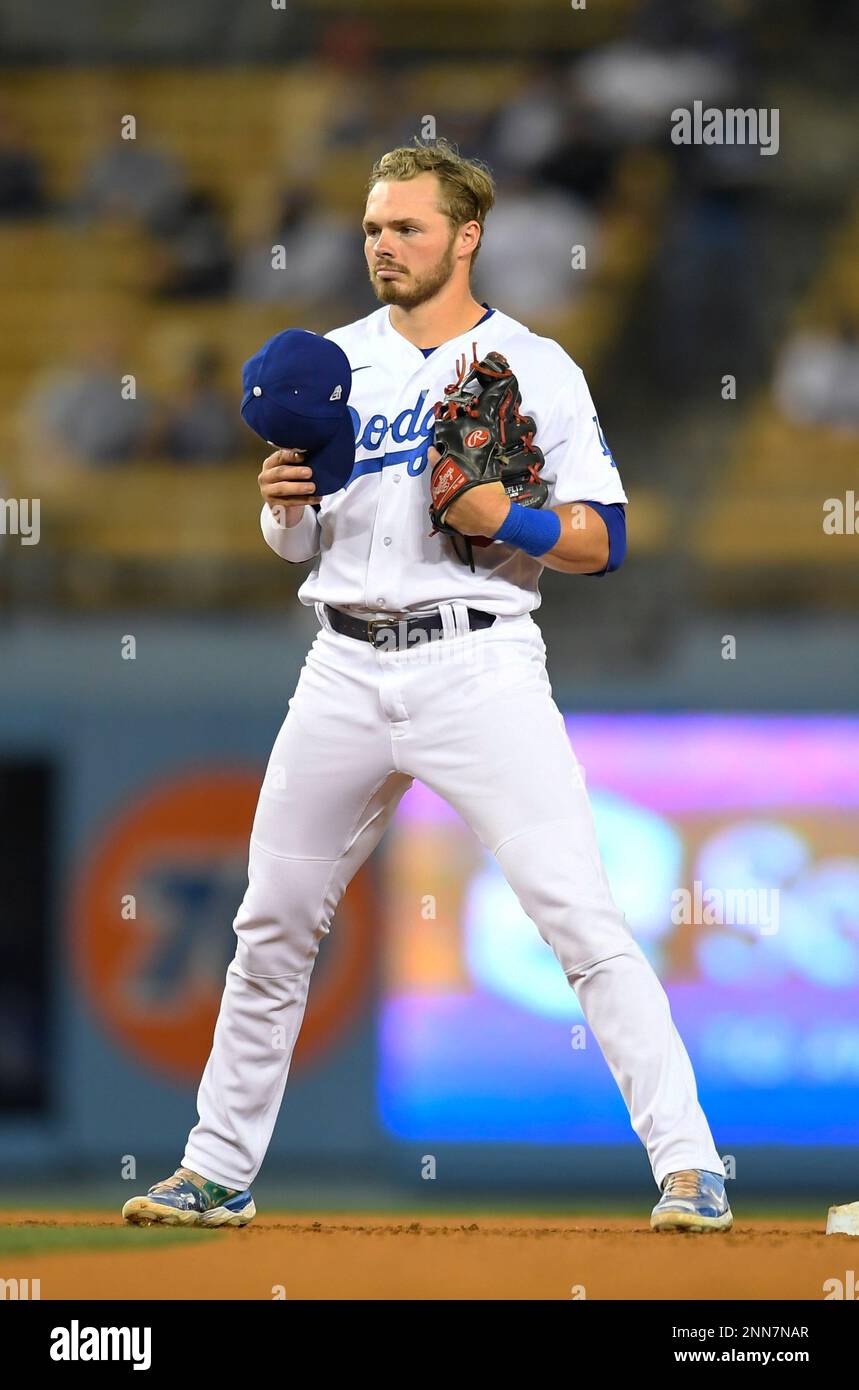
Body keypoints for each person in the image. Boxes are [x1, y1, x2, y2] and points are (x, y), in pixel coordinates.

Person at [122, 138, 732, 1235]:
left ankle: (690, 1164)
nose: (382, 244)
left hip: (477, 659)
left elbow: (609, 540)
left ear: (466, 237)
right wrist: (280, 506)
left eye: (404, 226)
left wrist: (514, 523)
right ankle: (216, 1169)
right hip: (342, 662)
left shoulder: (533, 365)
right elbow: (296, 539)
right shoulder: (325, 361)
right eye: (370, 227)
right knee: (269, 924)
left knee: (578, 918)